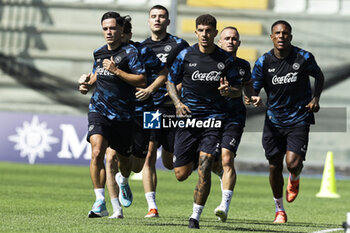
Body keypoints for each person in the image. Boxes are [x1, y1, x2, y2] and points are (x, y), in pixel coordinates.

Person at [79, 17, 167, 219]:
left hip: (149, 109)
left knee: (147, 155)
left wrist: (149, 90)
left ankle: (127, 183)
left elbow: (164, 74)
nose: (112, 33)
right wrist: (85, 83)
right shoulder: (101, 52)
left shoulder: (141, 51)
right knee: (104, 155)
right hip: (108, 109)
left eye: (118, 30)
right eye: (106, 29)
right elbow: (96, 76)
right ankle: (113, 205)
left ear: (126, 32)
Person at [167, 14, 242, 229]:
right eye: (201, 30)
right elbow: (171, 81)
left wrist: (230, 91)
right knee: (181, 174)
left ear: (215, 33)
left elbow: (238, 89)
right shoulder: (185, 55)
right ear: (196, 32)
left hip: (213, 119)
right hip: (188, 120)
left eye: (209, 31)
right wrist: (177, 103)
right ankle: (217, 168)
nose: (204, 34)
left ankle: (195, 217)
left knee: (205, 163)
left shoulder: (226, 60)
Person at [251, 20, 324, 223]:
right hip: (274, 121)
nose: (281, 36)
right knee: (274, 165)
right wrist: (254, 97)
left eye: (285, 33)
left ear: (290, 37)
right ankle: (279, 210)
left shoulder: (303, 57)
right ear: (272, 37)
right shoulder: (263, 62)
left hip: (299, 118)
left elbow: (319, 76)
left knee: (292, 163)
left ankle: (294, 176)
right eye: (277, 33)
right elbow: (253, 90)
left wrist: (315, 98)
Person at [140, 5, 189, 218]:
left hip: (172, 107)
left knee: (170, 163)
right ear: (149, 21)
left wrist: (176, 92)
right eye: (153, 16)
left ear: (168, 21)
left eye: (161, 17)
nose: (157, 20)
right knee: (150, 152)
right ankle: (152, 206)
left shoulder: (179, 45)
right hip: (151, 108)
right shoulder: (141, 48)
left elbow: (189, 73)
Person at [214, 26, 261, 222]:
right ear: (220, 42)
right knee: (206, 161)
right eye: (227, 38)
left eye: (234, 38)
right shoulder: (209, 62)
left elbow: (248, 88)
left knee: (227, 159)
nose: (230, 41)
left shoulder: (243, 65)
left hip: (234, 118)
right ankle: (219, 173)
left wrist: (252, 97)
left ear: (239, 43)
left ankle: (224, 205)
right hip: (209, 117)